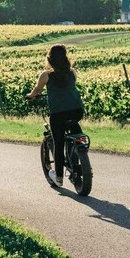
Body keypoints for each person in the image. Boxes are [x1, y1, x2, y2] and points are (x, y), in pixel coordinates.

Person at [26, 44, 85, 186]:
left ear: (49, 59)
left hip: (58, 113)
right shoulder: (72, 72)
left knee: (58, 142)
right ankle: (76, 158)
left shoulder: (46, 75)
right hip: (76, 111)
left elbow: (37, 90)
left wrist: (30, 96)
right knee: (74, 134)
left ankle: (58, 178)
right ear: (66, 58)